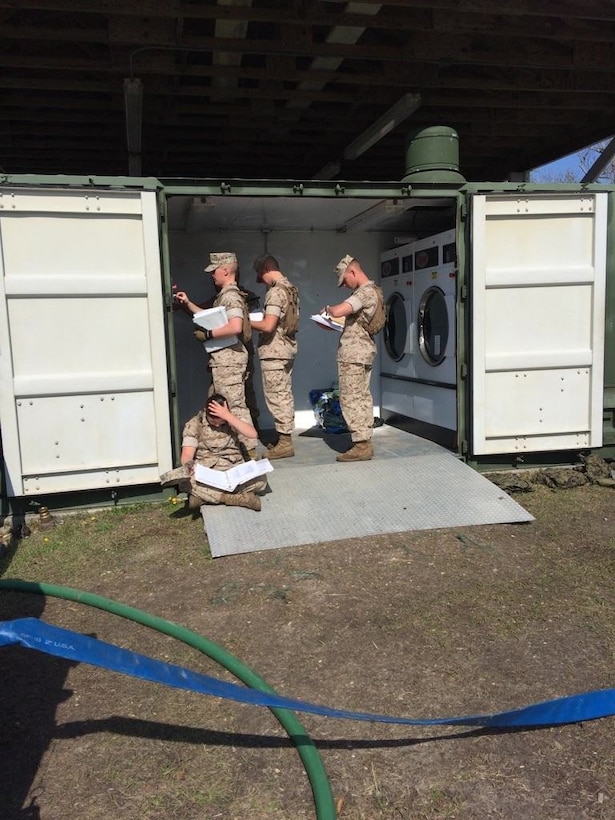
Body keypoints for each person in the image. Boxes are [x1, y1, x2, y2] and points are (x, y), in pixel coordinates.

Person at [175, 252, 258, 456]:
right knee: (223, 403)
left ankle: (249, 452)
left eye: (214, 272)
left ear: (225, 271)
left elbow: (235, 326)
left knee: (234, 405)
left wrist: (208, 334)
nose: (212, 276)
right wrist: (187, 303)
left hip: (229, 362)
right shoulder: (224, 295)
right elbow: (208, 317)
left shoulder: (231, 296)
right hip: (223, 361)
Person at [319, 254, 384, 462]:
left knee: (351, 398)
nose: (345, 286)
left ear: (353, 271)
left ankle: (361, 445)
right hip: (362, 352)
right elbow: (347, 321)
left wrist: (328, 310)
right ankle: (363, 441)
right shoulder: (374, 292)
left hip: (354, 354)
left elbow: (339, 310)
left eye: (345, 280)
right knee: (362, 397)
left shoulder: (365, 292)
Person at [160, 394, 267, 511]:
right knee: (187, 483)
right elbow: (186, 454)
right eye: (213, 421)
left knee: (261, 480)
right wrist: (189, 466)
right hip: (208, 473)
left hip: (233, 470)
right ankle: (233, 498)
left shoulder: (232, 419)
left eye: (220, 422)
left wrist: (227, 416)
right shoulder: (195, 424)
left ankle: (204, 497)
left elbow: (252, 434)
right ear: (206, 412)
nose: (217, 425)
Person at [250, 254, 300, 459]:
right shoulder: (291, 289)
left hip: (274, 352)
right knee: (284, 394)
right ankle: (284, 439)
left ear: (264, 270)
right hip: (286, 349)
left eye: (260, 276)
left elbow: (268, 325)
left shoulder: (275, 292)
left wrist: (243, 320)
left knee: (277, 397)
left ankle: (285, 443)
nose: (261, 281)